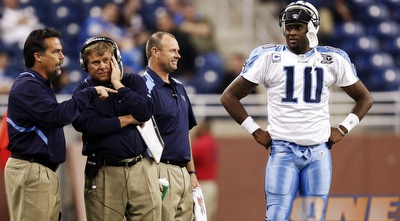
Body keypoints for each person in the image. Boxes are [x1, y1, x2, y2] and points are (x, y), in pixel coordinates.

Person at [220, 1, 373, 221]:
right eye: (288, 27)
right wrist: (255, 130)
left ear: (312, 28)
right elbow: (229, 97)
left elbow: (365, 98)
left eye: (298, 27)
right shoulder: (268, 58)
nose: (291, 32)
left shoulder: (332, 59)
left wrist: (343, 128)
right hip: (282, 150)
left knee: (313, 218)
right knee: (276, 216)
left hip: (319, 152)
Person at [4, 28, 116, 221]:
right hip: (32, 171)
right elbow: (56, 116)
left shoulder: (38, 85)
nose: (62, 56)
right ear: (37, 56)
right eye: (56, 51)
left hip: (40, 171)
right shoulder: (27, 85)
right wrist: (89, 93)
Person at [71, 36, 162, 221]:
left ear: (116, 60)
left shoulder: (132, 81)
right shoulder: (82, 91)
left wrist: (119, 85)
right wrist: (129, 118)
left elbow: (144, 112)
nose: (102, 66)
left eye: (107, 60)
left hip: (140, 167)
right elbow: (91, 126)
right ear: (85, 66)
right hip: (105, 172)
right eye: (95, 62)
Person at [142, 31, 200, 221]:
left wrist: (191, 173)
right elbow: (139, 134)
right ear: (155, 52)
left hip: (183, 172)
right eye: (173, 50)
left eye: (178, 50)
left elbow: (185, 133)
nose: (178, 55)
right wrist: (149, 174)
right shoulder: (143, 87)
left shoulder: (180, 87)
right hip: (159, 171)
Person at [191, 119, 218, 221]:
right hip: (211, 184)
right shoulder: (211, 141)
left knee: (199, 215)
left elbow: (189, 157)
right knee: (207, 215)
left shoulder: (201, 143)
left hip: (202, 184)